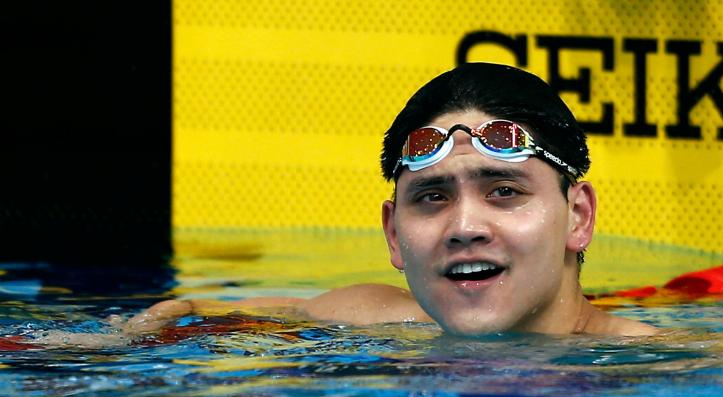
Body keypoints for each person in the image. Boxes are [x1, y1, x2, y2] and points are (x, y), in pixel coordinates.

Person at [87, 63, 660, 342]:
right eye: (431, 197)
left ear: (578, 216)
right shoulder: (373, 317)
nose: (464, 226)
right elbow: (191, 309)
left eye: (504, 192)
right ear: (392, 233)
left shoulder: (658, 369)